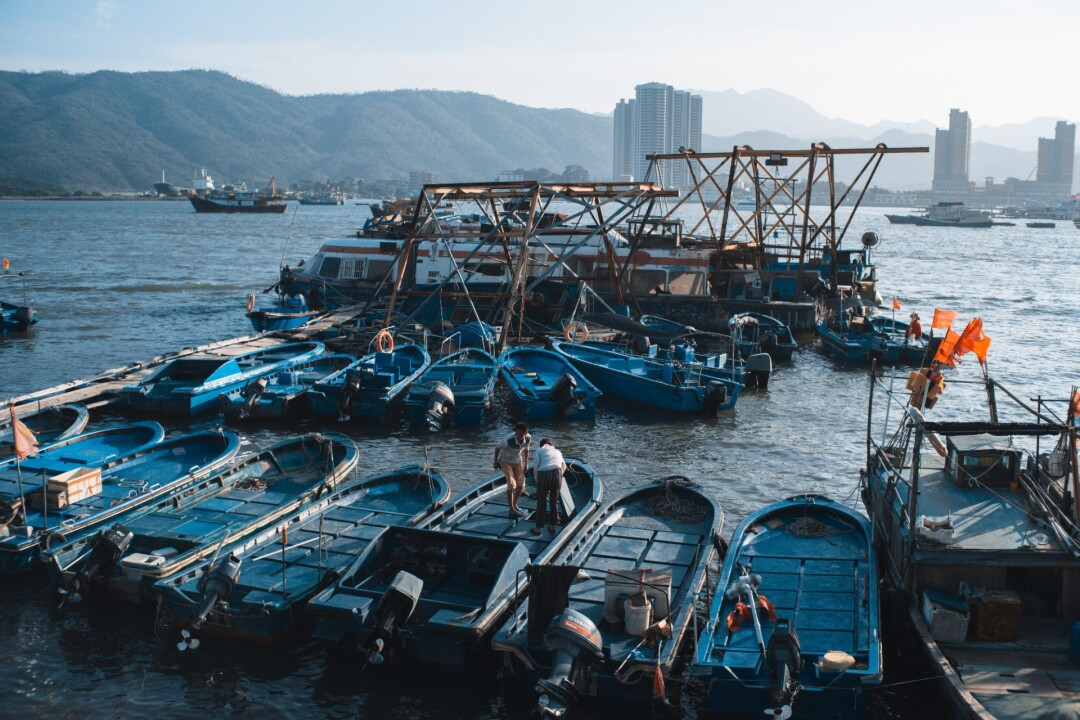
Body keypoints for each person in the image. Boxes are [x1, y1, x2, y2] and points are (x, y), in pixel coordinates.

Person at [494, 422, 531, 519]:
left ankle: (515, 505)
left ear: (525, 434)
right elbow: (497, 447)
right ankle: (511, 509)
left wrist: (526, 465)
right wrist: (495, 462)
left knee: (520, 485)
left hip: (517, 461)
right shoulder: (508, 439)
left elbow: (526, 450)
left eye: (520, 434)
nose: (518, 436)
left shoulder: (528, 438)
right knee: (511, 484)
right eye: (516, 434)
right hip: (505, 461)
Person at [533, 438, 567, 534]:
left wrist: (537, 481)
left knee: (541, 501)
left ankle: (538, 528)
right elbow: (564, 466)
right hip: (557, 473)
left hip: (544, 474)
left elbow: (536, 468)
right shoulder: (557, 451)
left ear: (541, 445)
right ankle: (552, 526)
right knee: (554, 501)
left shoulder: (539, 451)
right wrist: (559, 476)